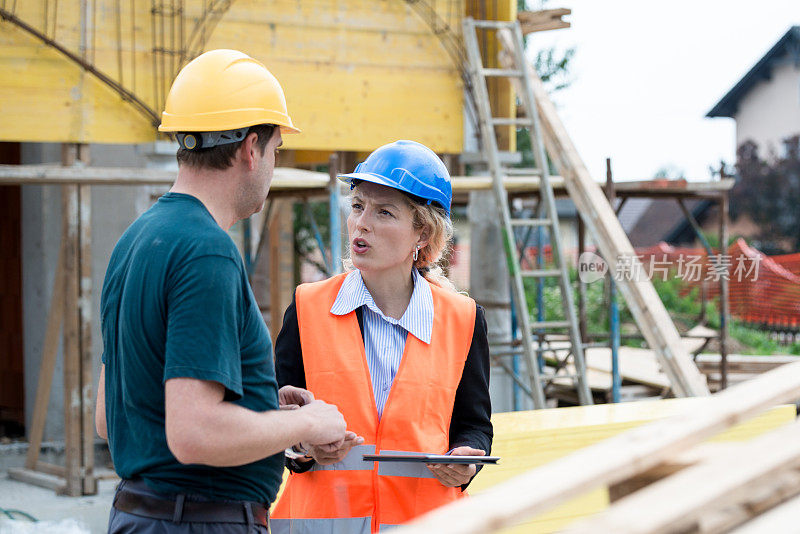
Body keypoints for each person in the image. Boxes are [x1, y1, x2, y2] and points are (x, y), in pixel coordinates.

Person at [95, 49, 347, 533]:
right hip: (199, 522)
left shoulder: (137, 240)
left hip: (142, 516)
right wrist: (307, 425)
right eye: (276, 151)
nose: (273, 166)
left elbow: (112, 418)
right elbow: (194, 433)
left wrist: (261, 408)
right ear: (251, 148)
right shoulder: (206, 251)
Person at [271, 140, 493, 533]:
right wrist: (302, 443)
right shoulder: (307, 308)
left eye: (384, 212)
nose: (361, 223)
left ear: (421, 234)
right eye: (358, 206)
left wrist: (465, 459)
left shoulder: (463, 319)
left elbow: (474, 425)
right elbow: (277, 421)